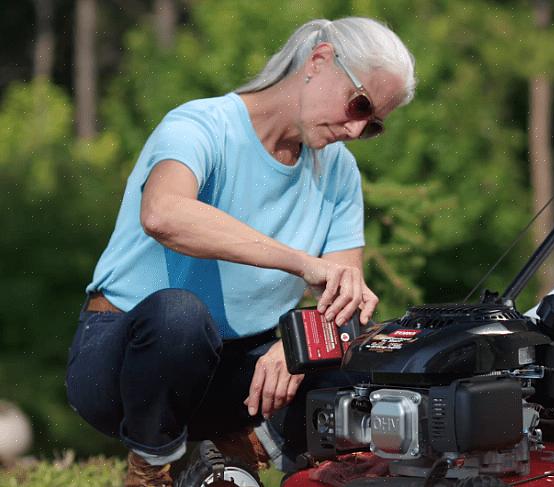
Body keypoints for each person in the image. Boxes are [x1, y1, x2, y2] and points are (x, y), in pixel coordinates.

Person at [65, 17, 416, 486]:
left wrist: (292, 345)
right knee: (180, 317)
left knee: (372, 355)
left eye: (371, 125)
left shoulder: (340, 173)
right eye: (359, 105)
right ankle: (152, 468)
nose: (355, 130)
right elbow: (163, 215)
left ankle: (233, 456)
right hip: (129, 366)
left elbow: (342, 301)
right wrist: (300, 262)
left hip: (235, 373)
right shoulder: (199, 125)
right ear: (319, 61)